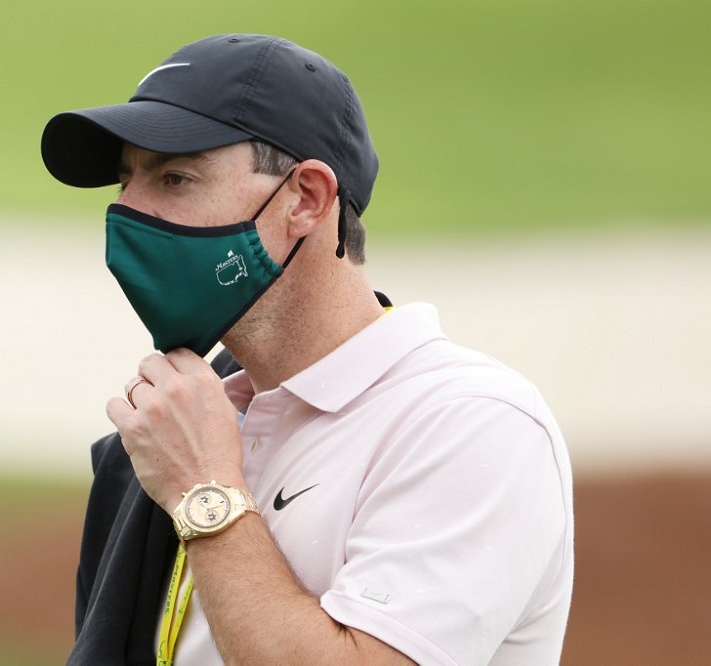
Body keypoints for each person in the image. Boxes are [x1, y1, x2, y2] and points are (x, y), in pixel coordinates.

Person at [40, 33, 574, 665]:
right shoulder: (173, 431)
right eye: (127, 180)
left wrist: (204, 491)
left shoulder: (471, 423)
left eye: (175, 177)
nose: (126, 213)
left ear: (307, 199)